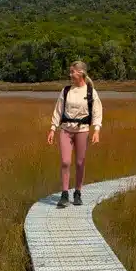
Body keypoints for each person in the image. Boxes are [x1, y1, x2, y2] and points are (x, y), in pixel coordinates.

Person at [46, 61, 103, 208]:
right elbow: (58, 111)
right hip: (65, 129)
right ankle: (64, 194)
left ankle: (77, 192)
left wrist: (96, 130)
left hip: (82, 130)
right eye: (70, 72)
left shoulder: (90, 92)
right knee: (65, 162)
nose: (70, 75)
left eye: (72, 72)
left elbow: (97, 112)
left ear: (81, 73)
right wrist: (53, 128)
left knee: (80, 163)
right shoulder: (66, 91)